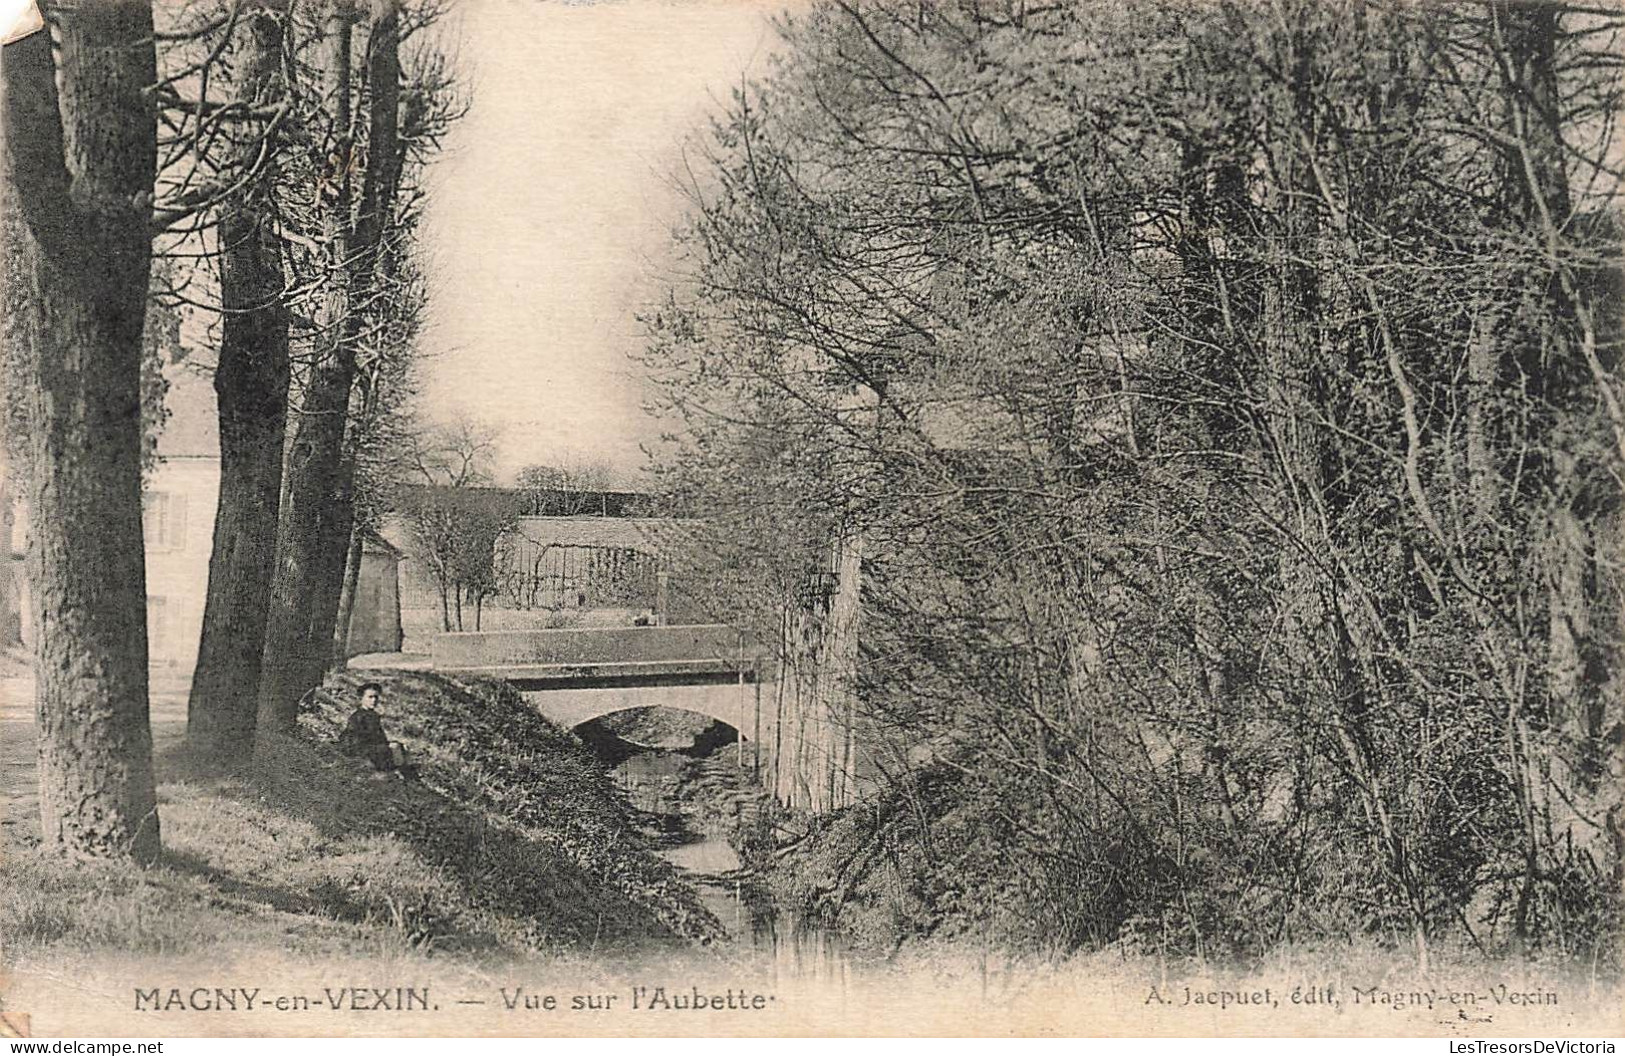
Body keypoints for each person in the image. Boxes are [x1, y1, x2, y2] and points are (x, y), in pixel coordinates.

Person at [338, 682, 418, 781]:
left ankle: (406, 774)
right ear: (361, 698)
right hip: (360, 749)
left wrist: (389, 744)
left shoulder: (373, 715)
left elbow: (379, 737)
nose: (374, 700)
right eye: (370, 697)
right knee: (395, 748)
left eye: (376, 697)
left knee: (401, 746)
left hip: (373, 747)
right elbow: (355, 740)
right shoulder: (357, 717)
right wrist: (385, 746)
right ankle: (404, 775)